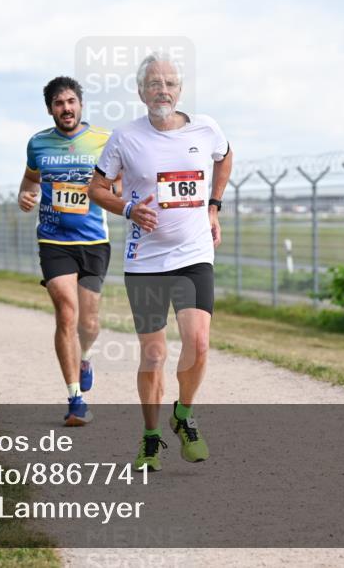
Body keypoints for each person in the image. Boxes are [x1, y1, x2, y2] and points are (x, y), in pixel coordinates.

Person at [88, 52, 233, 472]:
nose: (162, 91)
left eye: (169, 83)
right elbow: (96, 187)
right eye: (154, 84)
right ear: (140, 92)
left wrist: (213, 207)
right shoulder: (125, 137)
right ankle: (151, 438)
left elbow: (225, 156)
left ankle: (184, 415)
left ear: (180, 90)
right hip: (145, 261)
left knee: (199, 343)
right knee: (153, 356)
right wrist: (128, 209)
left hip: (193, 255)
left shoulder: (206, 128)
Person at [20, 76, 116, 427]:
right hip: (53, 240)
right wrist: (25, 197)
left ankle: (86, 356)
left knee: (89, 323)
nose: (66, 108)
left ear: (80, 104)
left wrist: (117, 191)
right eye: (58, 104)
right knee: (66, 313)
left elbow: (118, 183)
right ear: (50, 109)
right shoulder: (38, 143)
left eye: (71, 101)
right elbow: (29, 182)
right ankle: (75, 399)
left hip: (93, 240)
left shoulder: (104, 140)